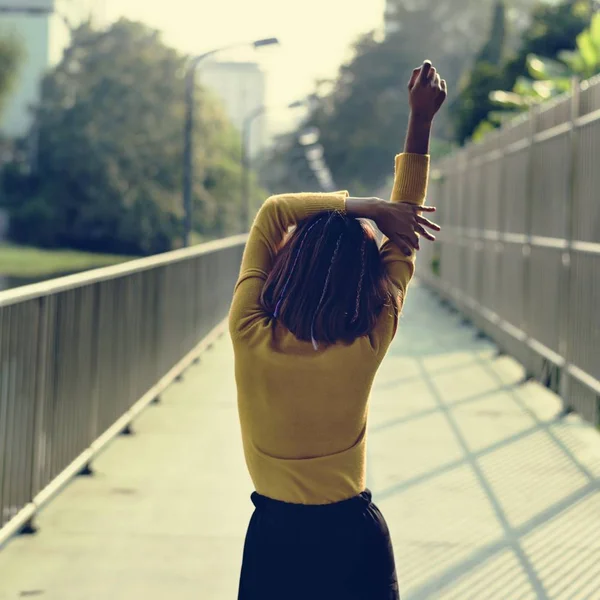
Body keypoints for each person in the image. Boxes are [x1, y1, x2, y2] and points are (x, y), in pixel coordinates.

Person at [229, 60, 447, 600]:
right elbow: (405, 239)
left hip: (274, 543)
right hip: (353, 541)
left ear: (287, 263)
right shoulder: (367, 340)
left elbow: (274, 212)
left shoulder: (248, 330)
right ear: (365, 277)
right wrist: (420, 122)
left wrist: (365, 207)